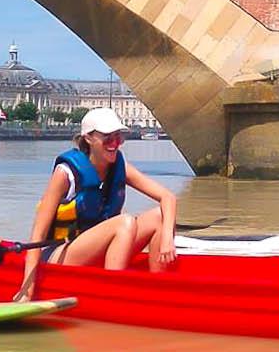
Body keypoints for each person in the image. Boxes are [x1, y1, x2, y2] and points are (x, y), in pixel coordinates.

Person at [13, 107, 179, 301]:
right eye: (107, 138)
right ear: (89, 139)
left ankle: (157, 289)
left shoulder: (119, 167)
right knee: (125, 222)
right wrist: (28, 289)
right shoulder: (65, 174)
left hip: (96, 249)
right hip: (60, 253)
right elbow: (37, 234)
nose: (114, 144)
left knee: (160, 216)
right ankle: (112, 295)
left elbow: (168, 197)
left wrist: (167, 236)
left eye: (118, 138)